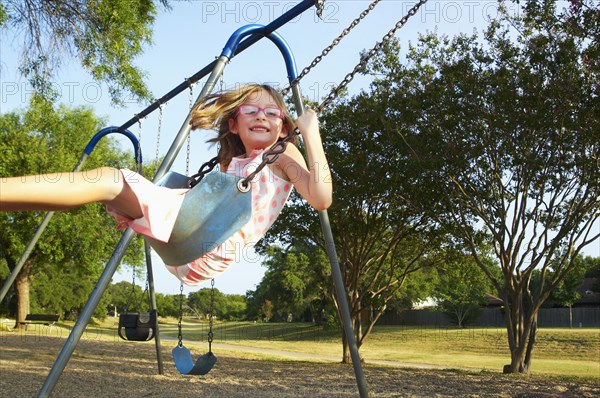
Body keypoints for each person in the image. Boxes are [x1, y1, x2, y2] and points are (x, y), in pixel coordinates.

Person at [0, 84, 332, 285]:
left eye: (272, 113)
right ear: (234, 123)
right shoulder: (232, 164)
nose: (262, 116)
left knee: (109, 179)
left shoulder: (282, 153)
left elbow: (321, 197)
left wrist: (310, 135)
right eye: (251, 110)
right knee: (106, 186)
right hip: (188, 246)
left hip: (205, 244)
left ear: (284, 124)